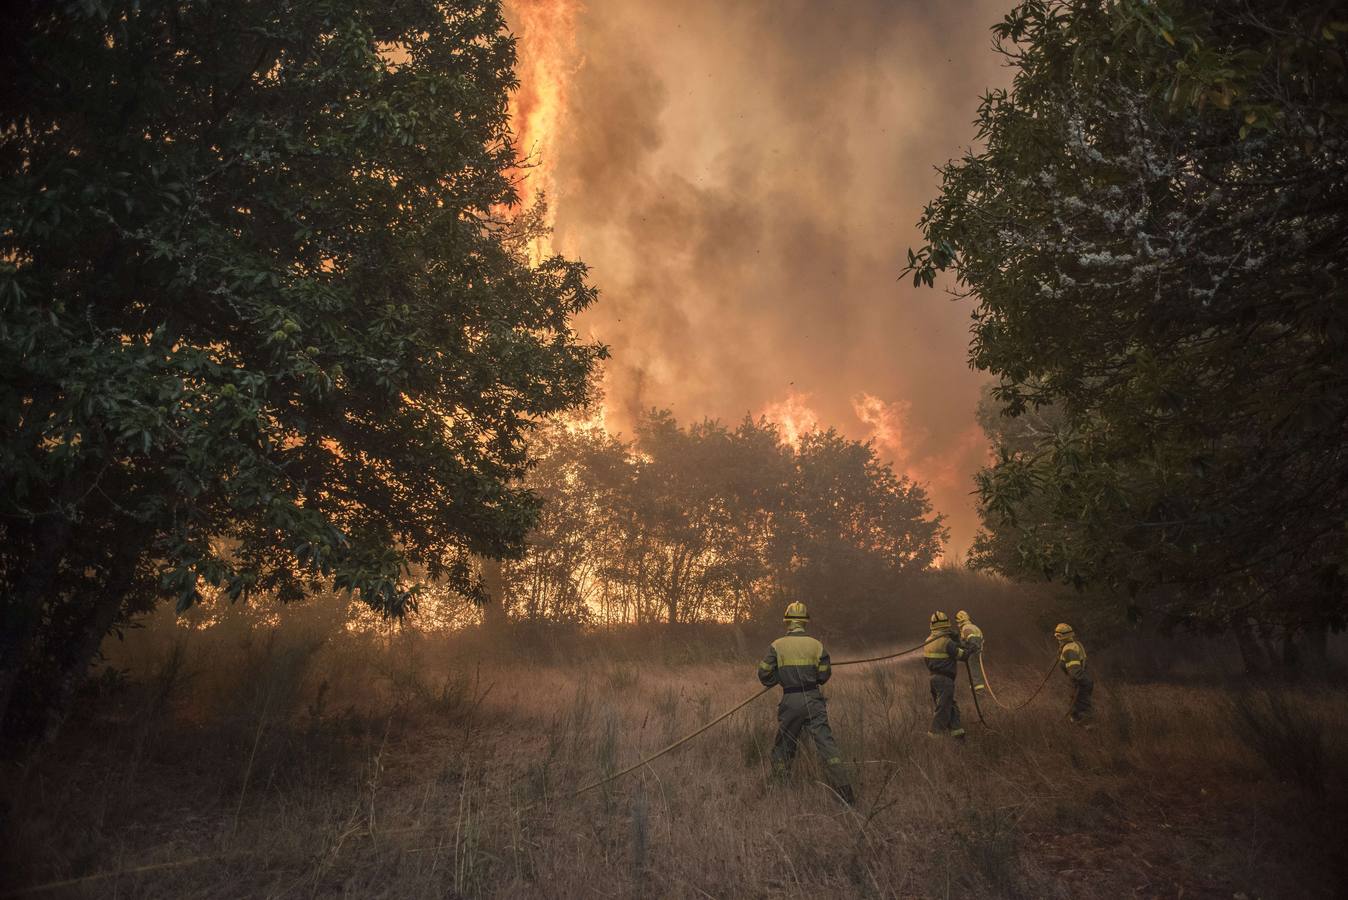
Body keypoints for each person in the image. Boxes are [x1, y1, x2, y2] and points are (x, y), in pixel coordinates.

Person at [758, 601, 855, 804]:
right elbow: (824, 675)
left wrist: (779, 676)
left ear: (787, 621)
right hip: (813, 699)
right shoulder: (817, 645)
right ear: (805, 622)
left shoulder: (777, 646)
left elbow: (764, 674)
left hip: (790, 700)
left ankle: (779, 788)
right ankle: (845, 790)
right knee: (826, 744)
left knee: (784, 745)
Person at [924, 611, 966, 738]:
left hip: (933, 679)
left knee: (950, 707)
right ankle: (933, 738)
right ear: (947, 625)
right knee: (943, 710)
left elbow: (927, 661)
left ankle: (958, 736)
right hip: (945, 680)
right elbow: (962, 655)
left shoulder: (928, 641)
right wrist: (964, 643)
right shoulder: (947, 642)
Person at [1053, 623, 1094, 724]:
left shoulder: (1068, 650)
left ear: (1060, 636)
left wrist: (1080, 683)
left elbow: (1075, 670)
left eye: (1058, 636)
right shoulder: (1074, 645)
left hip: (1079, 683)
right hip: (1081, 681)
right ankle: (1078, 729)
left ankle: (1088, 732)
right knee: (1076, 710)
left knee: (1082, 711)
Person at [955, 610, 987, 696]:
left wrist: (968, 650)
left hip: (973, 653)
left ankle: (979, 693)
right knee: (976, 671)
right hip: (978, 652)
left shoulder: (966, 628)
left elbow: (971, 641)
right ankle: (977, 692)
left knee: (974, 672)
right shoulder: (974, 627)